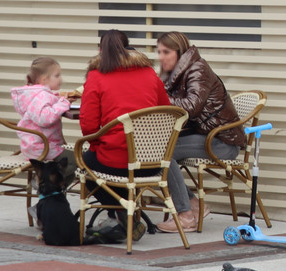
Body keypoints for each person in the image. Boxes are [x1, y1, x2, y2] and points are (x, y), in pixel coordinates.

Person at [79, 30, 170, 240]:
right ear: (128, 47)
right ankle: (124, 215)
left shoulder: (96, 76)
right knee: (102, 157)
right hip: (152, 163)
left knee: (85, 163)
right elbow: (166, 112)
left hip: (115, 162)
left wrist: (102, 140)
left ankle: (120, 212)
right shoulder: (149, 73)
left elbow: (89, 128)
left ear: (101, 51)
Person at [153, 32, 244, 233]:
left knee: (162, 153)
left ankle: (185, 216)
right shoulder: (175, 73)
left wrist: (156, 99)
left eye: (166, 52)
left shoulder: (198, 69)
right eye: (158, 51)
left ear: (179, 52)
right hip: (205, 134)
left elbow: (191, 106)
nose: (160, 57)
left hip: (222, 141)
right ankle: (193, 205)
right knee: (156, 151)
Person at [12, 58, 77, 187]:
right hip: (42, 147)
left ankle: (46, 202)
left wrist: (60, 100)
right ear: (44, 79)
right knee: (78, 160)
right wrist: (64, 103)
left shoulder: (36, 95)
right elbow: (44, 118)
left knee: (70, 174)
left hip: (35, 145)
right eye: (57, 76)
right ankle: (42, 181)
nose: (60, 79)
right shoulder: (42, 96)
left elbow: (43, 109)